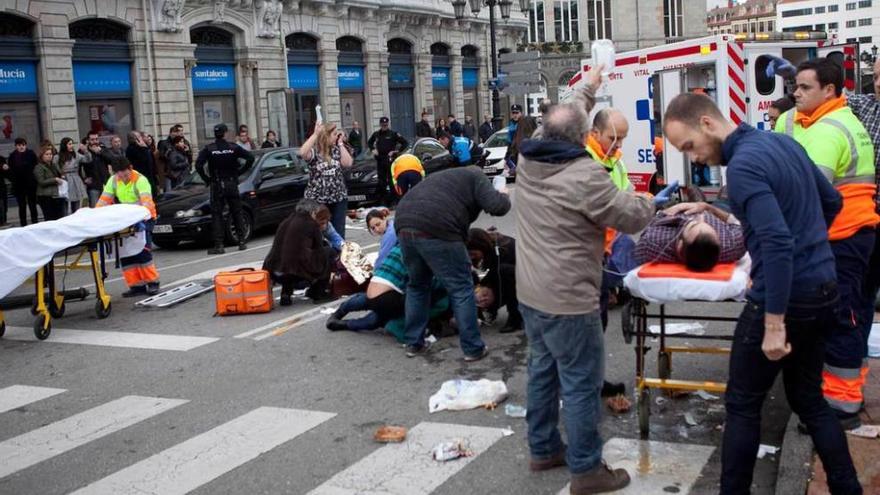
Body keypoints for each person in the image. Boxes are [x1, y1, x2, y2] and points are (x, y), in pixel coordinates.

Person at [663, 92, 862, 495]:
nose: (694, 158)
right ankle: (848, 489)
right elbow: (831, 201)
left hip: (785, 303)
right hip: (822, 290)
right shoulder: (781, 143)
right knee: (809, 401)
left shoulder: (744, 166)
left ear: (707, 124)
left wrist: (773, 323)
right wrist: (810, 247)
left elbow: (775, 240)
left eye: (689, 147)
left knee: (742, 405)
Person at [514, 65, 658, 495]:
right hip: (569, 297)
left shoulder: (529, 154)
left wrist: (589, 86)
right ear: (583, 139)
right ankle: (587, 470)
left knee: (542, 369)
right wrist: (650, 200)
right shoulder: (584, 175)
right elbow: (629, 216)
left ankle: (543, 449)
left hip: (531, 290)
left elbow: (566, 113)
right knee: (580, 383)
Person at [780, 58, 878, 429]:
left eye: (805, 87)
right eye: (796, 86)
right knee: (843, 315)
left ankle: (841, 406)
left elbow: (808, 196)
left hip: (844, 238)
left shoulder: (833, 129)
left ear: (830, 91)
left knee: (843, 316)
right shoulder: (799, 121)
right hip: (837, 236)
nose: (796, 93)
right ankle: (841, 389)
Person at [395, 166, 511, 360]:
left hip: (404, 223)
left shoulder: (445, 177)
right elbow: (498, 206)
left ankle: (413, 343)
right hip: (438, 227)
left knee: (417, 286)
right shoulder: (476, 175)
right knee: (461, 288)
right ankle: (473, 348)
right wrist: (503, 194)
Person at [848, 58, 880, 393]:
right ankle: (855, 359)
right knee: (860, 294)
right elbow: (836, 96)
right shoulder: (865, 106)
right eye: (876, 75)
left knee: (863, 294)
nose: (879, 82)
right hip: (865, 219)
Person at [96, 156, 161, 297]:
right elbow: (104, 200)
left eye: (125, 174)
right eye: (119, 174)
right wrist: (96, 215)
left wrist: (140, 220)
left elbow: (147, 204)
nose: (123, 177)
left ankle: (153, 283)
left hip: (145, 218)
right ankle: (136, 286)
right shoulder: (113, 180)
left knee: (142, 250)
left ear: (130, 168)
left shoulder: (140, 180)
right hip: (127, 219)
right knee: (126, 252)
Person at [195, 123, 255, 255]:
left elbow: (198, 165)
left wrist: (207, 179)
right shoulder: (233, 147)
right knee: (237, 211)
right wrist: (240, 172)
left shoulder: (209, 149)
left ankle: (219, 245)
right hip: (231, 183)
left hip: (217, 184)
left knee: (217, 214)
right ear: (226, 133)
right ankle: (241, 241)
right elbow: (251, 158)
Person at [633, 201, 747, 271]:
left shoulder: (651, 243)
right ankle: (707, 200)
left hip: (674, 211)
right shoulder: (733, 244)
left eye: (693, 225)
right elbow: (735, 221)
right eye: (704, 223)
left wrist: (664, 213)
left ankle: (696, 199)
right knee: (724, 202)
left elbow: (649, 225)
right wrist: (707, 207)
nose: (700, 217)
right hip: (714, 211)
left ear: (680, 246)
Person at [263, 199, 337, 305]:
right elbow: (319, 249)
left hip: (274, 271)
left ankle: (286, 294)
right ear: (313, 212)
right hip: (296, 273)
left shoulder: (286, 221)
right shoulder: (311, 224)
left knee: (288, 257)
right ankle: (318, 293)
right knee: (329, 252)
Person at [326, 245, 407, 332]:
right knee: (377, 319)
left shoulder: (398, 244)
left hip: (377, 285)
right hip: (391, 295)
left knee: (369, 302)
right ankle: (346, 323)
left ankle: (340, 317)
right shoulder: (415, 248)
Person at [299, 122, 354, 239]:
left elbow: (348, 163)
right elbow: (302, 152)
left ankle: (338, 255)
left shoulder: (336, 150)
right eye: (334, 134)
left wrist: (340, 144)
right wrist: (315, 134)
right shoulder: (315, 152)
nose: (337, 136)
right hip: (318, 199)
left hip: (338, 197)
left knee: (338, 232)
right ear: (326, 136)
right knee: (319, 232)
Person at [467, 228, 521, 333]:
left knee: (503, 272)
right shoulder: (489, 249)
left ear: (482, 246)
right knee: (478, 281)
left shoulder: (501, 251)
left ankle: (515, 318)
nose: (471, 257)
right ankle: (485, 311)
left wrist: (485, 290)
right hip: (510, 276)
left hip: (526, 279)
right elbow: (489, 274)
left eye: (473, 253)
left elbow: (499, 279)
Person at [367, 116, 408, 206]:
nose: (384, 126)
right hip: (380, 160)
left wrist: (396, 151)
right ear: (380, 124)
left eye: (385, 125)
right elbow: (369, 142)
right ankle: (383, 200)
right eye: (382, 125)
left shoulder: (393, 134)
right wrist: (373, 149)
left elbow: (405, 143)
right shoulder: (376, 134)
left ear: (388, 124)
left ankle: (394, 200)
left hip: (390, 160)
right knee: (381, 182)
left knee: (392, 181)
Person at [7, 137, 39, 226]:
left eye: (23, 145)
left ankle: (35, 223)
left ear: (26, 145)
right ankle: (23, 224)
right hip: (19, 185)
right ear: (16, 146)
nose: (21, 147)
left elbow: (35, 167)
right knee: (22, 206)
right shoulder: (13, 156)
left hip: (30, 184)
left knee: (32, 204)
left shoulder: (31, 154)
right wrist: (13, 179)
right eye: (19, 145)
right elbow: (10, 170)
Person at [55, 137, 91, 214]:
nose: (71, 146)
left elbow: (87, 160)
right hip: (65, 180)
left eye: (72, 144)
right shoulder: (58, 157)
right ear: (64, 145)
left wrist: (85, 150)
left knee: (76, 202)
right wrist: (60, 174)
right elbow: (54, 167)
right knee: (65, 202)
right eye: (69, 144)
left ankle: (76, 217)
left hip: (75, 179)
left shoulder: (76, 155)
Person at [33, 145, 66, 221]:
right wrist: (54, 179)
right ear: (42, 156)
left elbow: (60, 174)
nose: (49, 156)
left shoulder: (54, 165)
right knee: (49, 218)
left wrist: (62, 175)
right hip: (45, 195)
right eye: (46, 154)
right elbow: (41, 181)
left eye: (50, 154)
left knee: (59, 217)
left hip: (56, 194)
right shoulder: (39, 167)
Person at [504, 103, 537, 176]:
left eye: (517, 113)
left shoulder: (525, 122)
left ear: (521, 113)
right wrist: (507, 154)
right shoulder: (511, 123)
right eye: (513, 113)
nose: (515, 115)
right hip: (515, 150)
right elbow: (509, 139)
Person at [125, 131, 157, 200]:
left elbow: (151, 162)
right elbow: (145, 160)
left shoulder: (141, 147)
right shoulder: (132, 149)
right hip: (141, 179)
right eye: (139, 137)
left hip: (149, 177)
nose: (141, 138)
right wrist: (144, 148)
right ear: (135, 139)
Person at [82, 131, 109, 207]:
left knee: (107, 208)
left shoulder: (102, 148)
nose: (95, 141)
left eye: (96, 139)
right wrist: (83, 179)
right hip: (93, 185)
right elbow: (78, 167)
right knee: (95, 208)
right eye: (92, 139)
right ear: (88, 140)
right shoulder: (83, 151)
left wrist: (100, 153)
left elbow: (111, 160)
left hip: (105, 183)